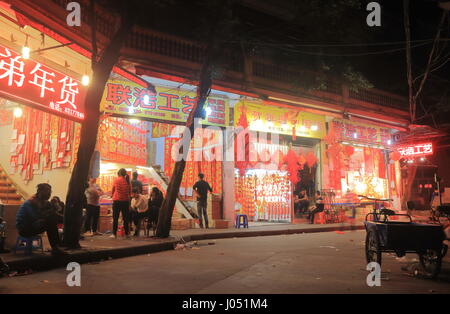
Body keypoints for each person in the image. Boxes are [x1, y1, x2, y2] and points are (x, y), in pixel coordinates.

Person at [15, 183, 66, 256]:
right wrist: (50, 212)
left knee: (53, 218)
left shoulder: (44, 202)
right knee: (50, 220)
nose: (49, 194)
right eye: (47, 192)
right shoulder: (31, 202)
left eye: (50, 192)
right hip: (24, 229)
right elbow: (35, 217)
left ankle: (57, 246)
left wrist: (55, 206)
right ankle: (56, 247)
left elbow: (56, 212)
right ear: (40, 192)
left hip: (34, 225)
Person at [111, 168, 131, 239]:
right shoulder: (128, 181)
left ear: (119, 173)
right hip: (125, 202)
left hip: (117, 201)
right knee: (126, 218)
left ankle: (114, 234)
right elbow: (130, 193)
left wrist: (112, 195)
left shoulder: (116, 180)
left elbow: (113, 189)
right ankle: (127, 234)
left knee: (115, 218)